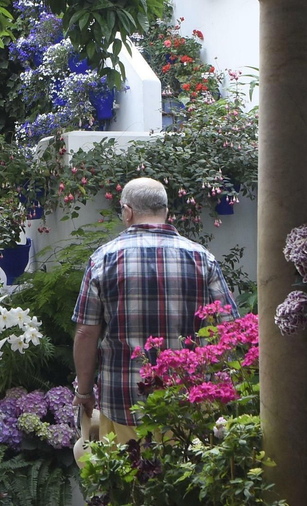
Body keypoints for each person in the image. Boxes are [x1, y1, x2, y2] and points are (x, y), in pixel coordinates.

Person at [72, 177, 239, 442]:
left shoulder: (102, 260)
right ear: (166, 212)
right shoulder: (202, 258)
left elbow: (86, 333)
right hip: (187, 402)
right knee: (184, 478)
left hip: (123, 400)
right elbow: (229, 327)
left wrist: (84, 392)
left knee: (128, 480)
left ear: (127, 212)